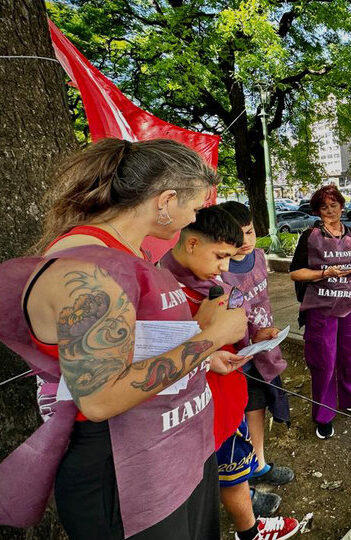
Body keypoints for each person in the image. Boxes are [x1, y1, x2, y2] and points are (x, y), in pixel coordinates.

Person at [0, 138, 249, 539]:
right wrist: (209, 338)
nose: (192, 219)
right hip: (126, 473)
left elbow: (135, 344)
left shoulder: (126, 252)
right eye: (195, 207)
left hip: (169, 451)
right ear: (166, 201)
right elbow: (99, 397)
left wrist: (204, 357)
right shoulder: (86, 270)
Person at [160, 208, 299, 540]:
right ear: (192, 242)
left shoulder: (207, 280)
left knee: (233, 465)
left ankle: (247, 503)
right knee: (227, 468)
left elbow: (209, 346)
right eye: (221, 257)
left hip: (225, 390)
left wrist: (229, 346)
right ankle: (249, 531)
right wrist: (208, 335)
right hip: (199, 407)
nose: (225, 267)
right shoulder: (162, 288)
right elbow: (163, 357)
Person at [218, 202, 294, 488]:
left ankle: (258, 463)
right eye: (236, 237)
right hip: (234, 355)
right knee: (236, 416)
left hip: (264, 350)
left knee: (258, 405)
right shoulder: (218, 267)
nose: (245, 242)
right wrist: (248, 340)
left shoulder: (260, 256)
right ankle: (240, 478)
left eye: (249, 232)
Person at [289, 185, 351, 440]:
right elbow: (295, 273)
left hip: (349, 305)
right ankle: (324, 413)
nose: (329, 211)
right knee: (323, 361)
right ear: (317, 210)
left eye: (333, 205)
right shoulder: (310, 236)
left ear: (341, 206)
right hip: (320, 309)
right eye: (324, 207)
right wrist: (324, 273)